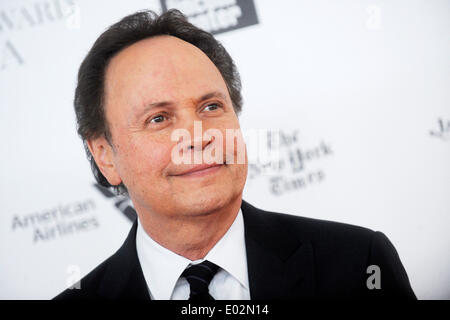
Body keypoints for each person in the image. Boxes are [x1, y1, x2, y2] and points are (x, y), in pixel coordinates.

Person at [54, 9, 416, 300]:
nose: (197, 137)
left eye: (211, 107)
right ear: (105, 156)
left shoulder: (359, 264)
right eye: (159, 118)